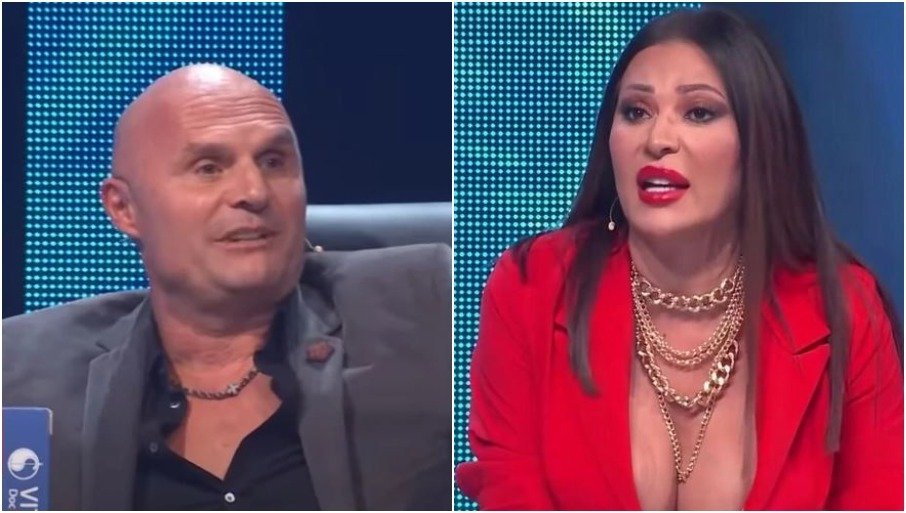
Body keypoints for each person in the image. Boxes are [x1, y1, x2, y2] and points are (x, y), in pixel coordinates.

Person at [456, 8, 903, 511]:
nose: (658, 139)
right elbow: (510, 489)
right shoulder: (530, 289)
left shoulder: (844, 308)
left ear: (759, 140)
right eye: (636, 111)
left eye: (699, 113)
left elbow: (879, 496)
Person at [3, 64, 452, 510]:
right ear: (124, 209)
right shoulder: (21, 371)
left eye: (273, 162)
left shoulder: (426, 307)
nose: (254, 191)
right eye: (209, 168)